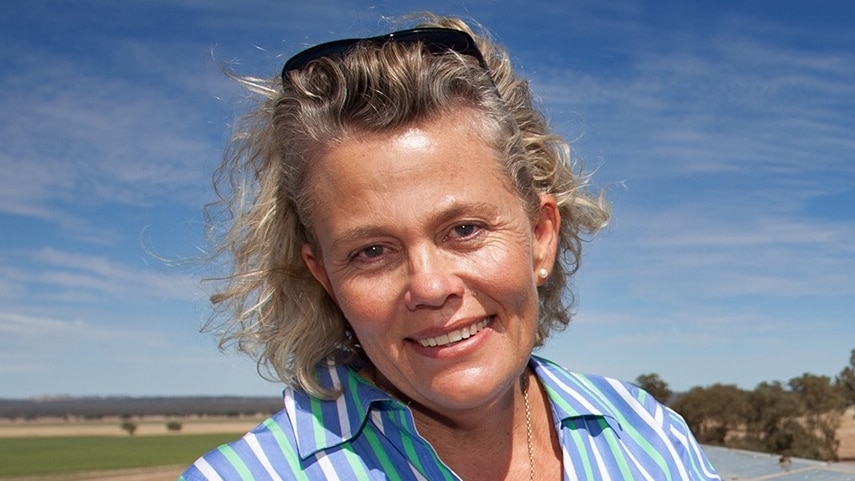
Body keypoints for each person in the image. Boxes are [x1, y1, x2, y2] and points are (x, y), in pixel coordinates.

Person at [179, 13, 720, 481]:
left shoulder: (647, 435)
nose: (431, 286)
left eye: (464, 229)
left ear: (540, 236)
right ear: (324, 278)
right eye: (371, 251)